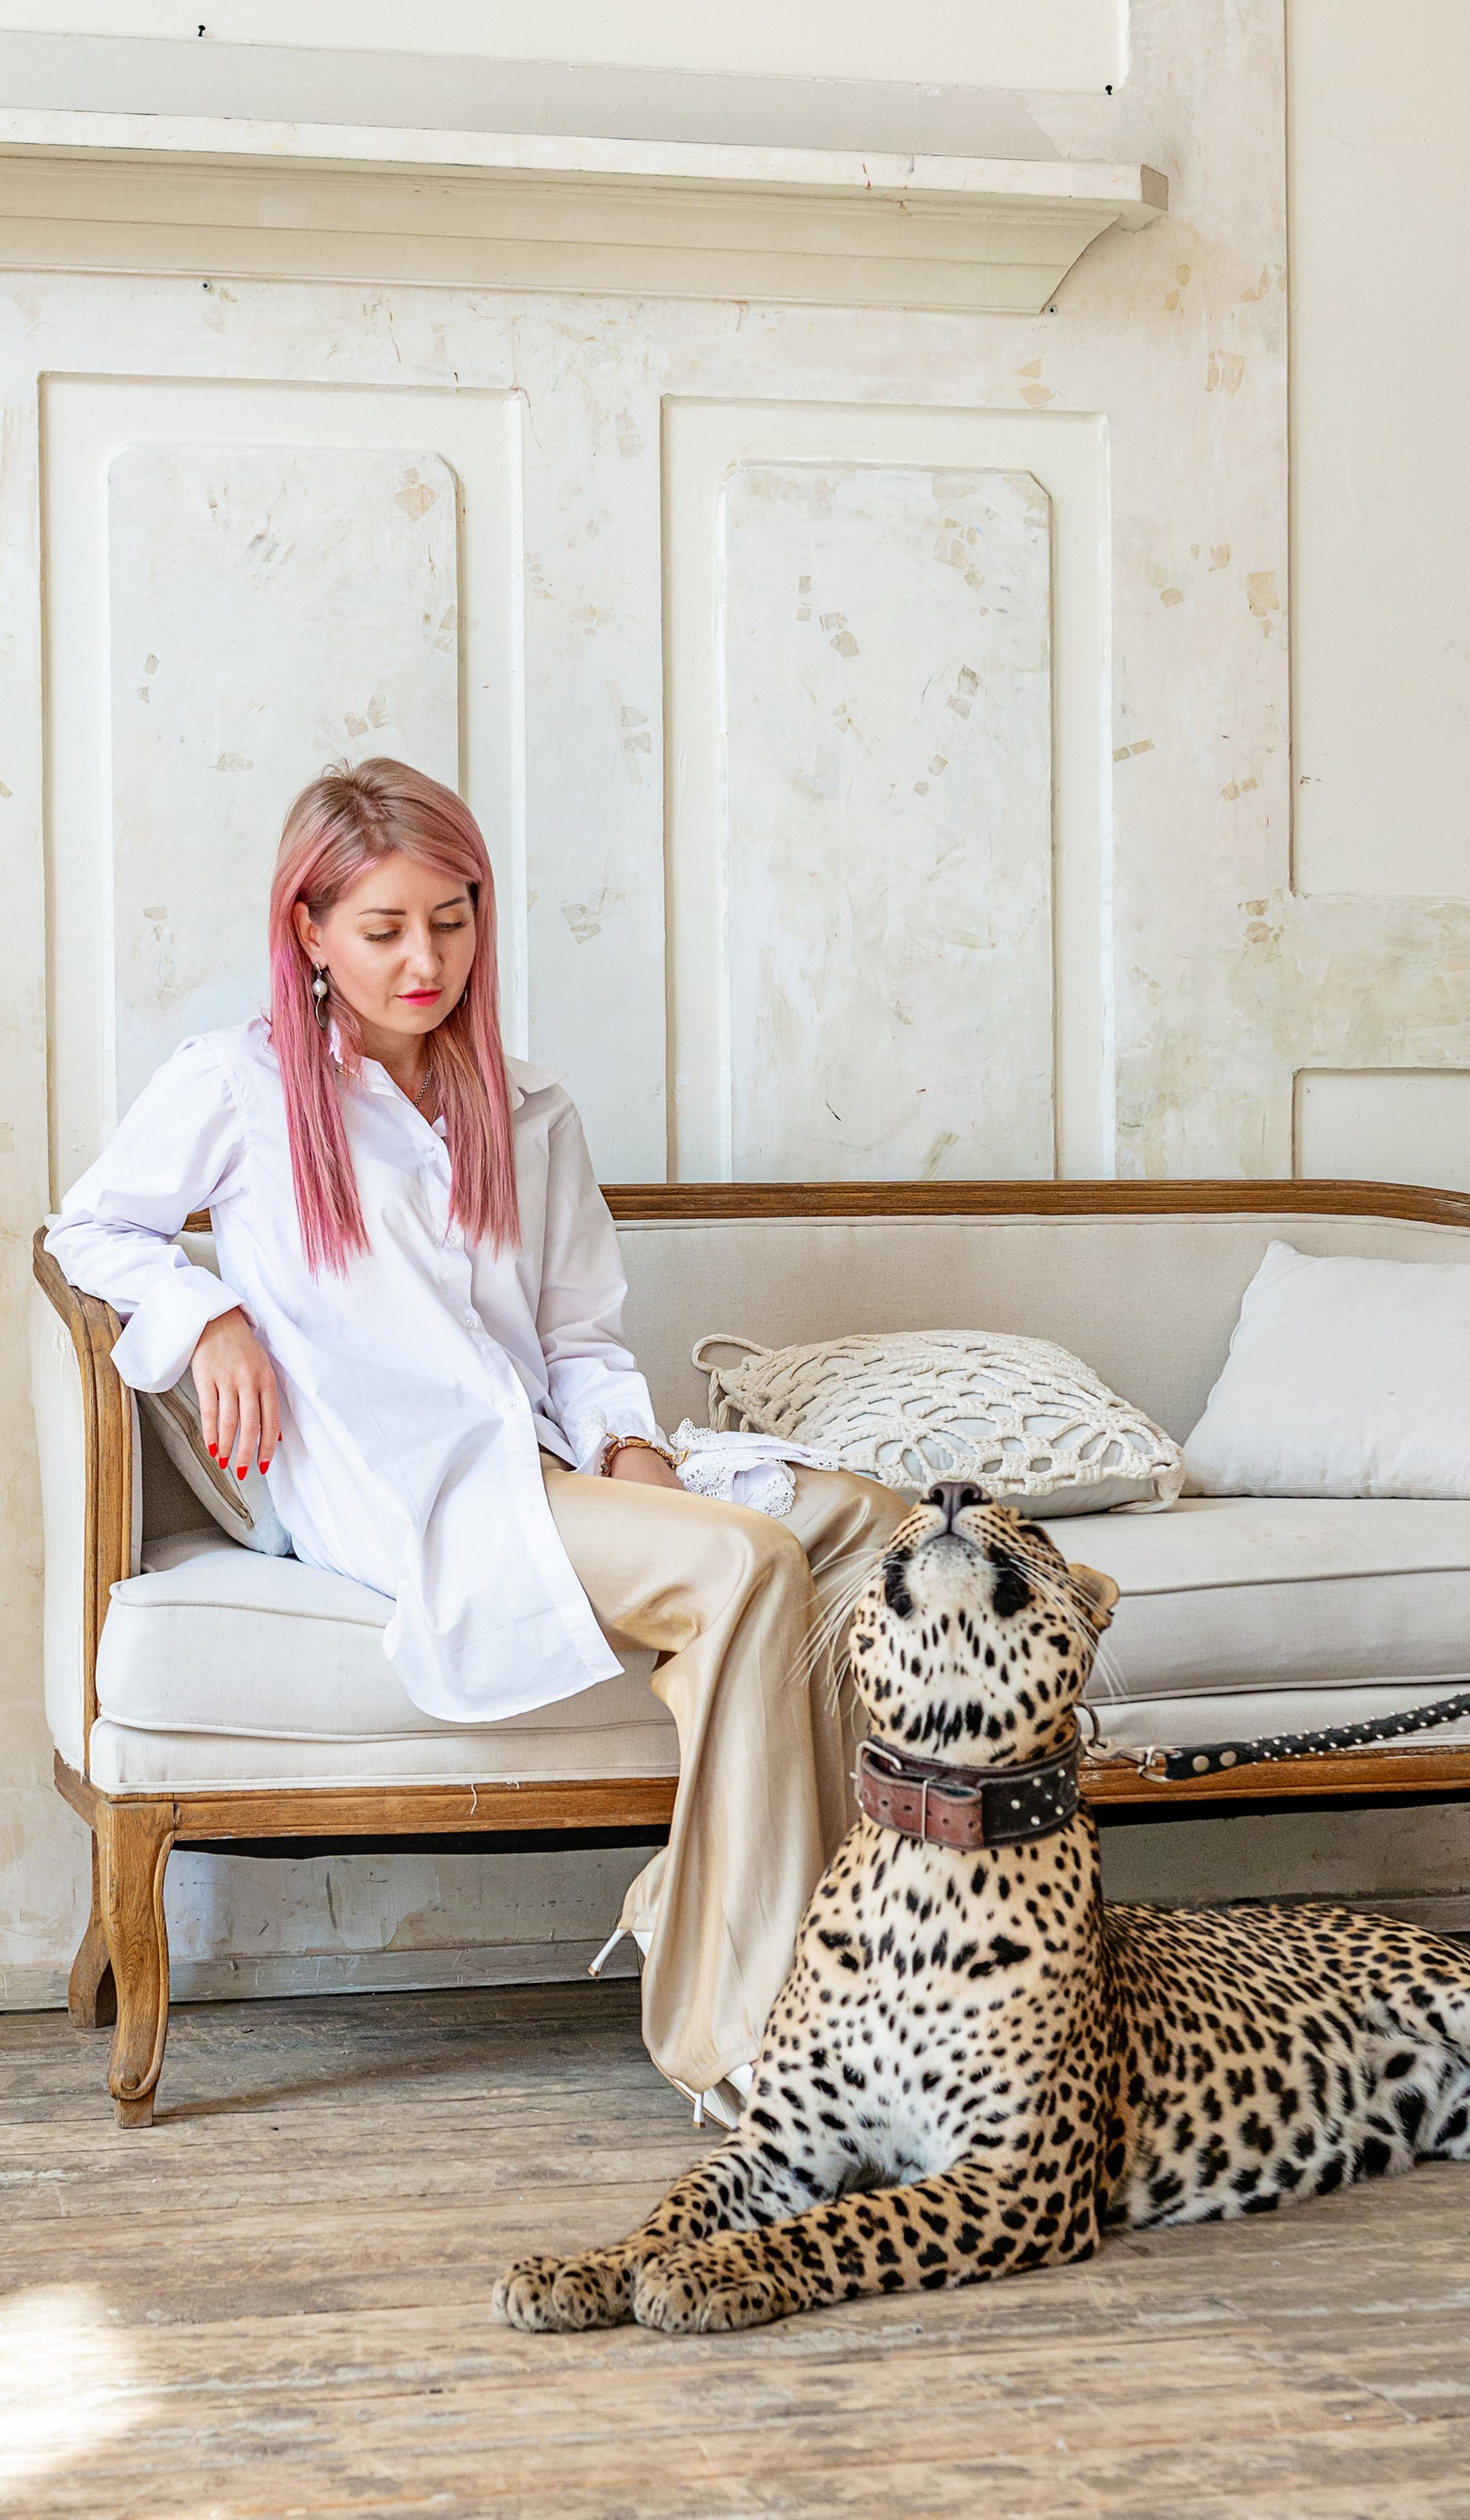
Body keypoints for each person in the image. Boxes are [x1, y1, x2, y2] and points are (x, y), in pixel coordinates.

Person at [44, 758, 906, 2112]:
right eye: (382, 929)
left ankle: (822, 1944)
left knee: (875, 1527)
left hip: (548, 1466)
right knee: (747, 1572)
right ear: (310, 935)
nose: (423, 959)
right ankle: (737, 2039)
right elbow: (87, 1231)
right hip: (412, 1495)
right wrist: (206, 1316)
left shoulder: (530, 1108)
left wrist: (633, 1452)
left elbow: (579, 1341)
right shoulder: (239, 1085)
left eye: (451, 920)